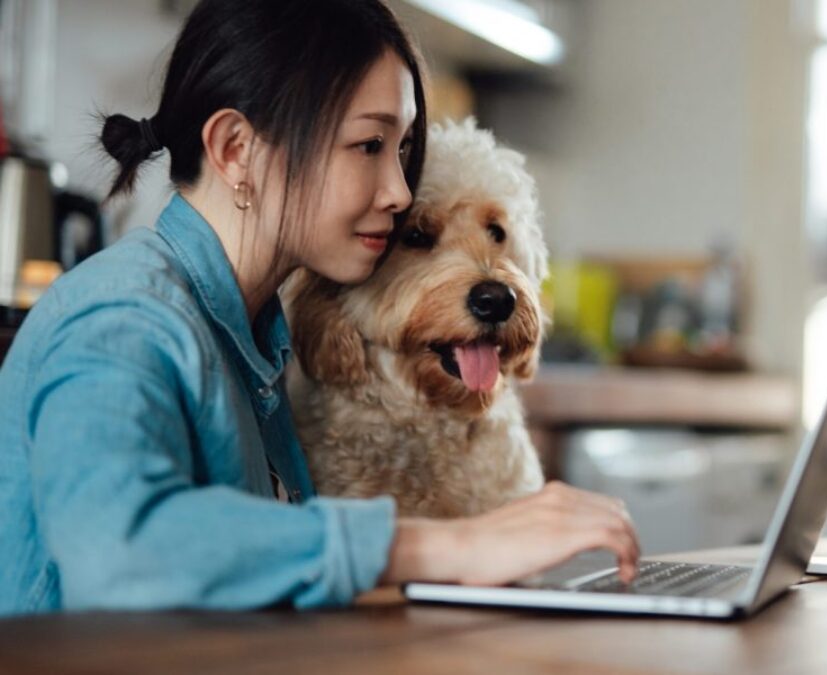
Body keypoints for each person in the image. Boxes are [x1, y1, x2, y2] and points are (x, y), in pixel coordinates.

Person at [0, 0, 639, 616]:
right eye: (368, 146)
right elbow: (118, 549)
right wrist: (454, 545)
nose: (396, 191)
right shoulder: (123, 319)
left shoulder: (250, 335)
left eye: (403, 149)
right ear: (235, 149)